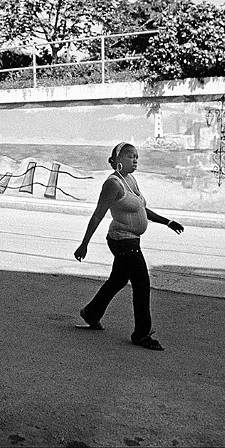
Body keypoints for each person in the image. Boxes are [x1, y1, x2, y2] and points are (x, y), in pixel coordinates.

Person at [74, 142, 184, 351]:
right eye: (131, 156)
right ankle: (142, 334)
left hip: (131, 239)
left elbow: (142, 208)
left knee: (118, 279)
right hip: (121, 240)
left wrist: (167, 222)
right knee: (142, 283)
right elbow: (98, 214)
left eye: (136, 157)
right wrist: (84, 244)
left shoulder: (130, 179)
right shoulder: (113, 184)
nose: (135, 160)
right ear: (118, 161)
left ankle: (91, 313)